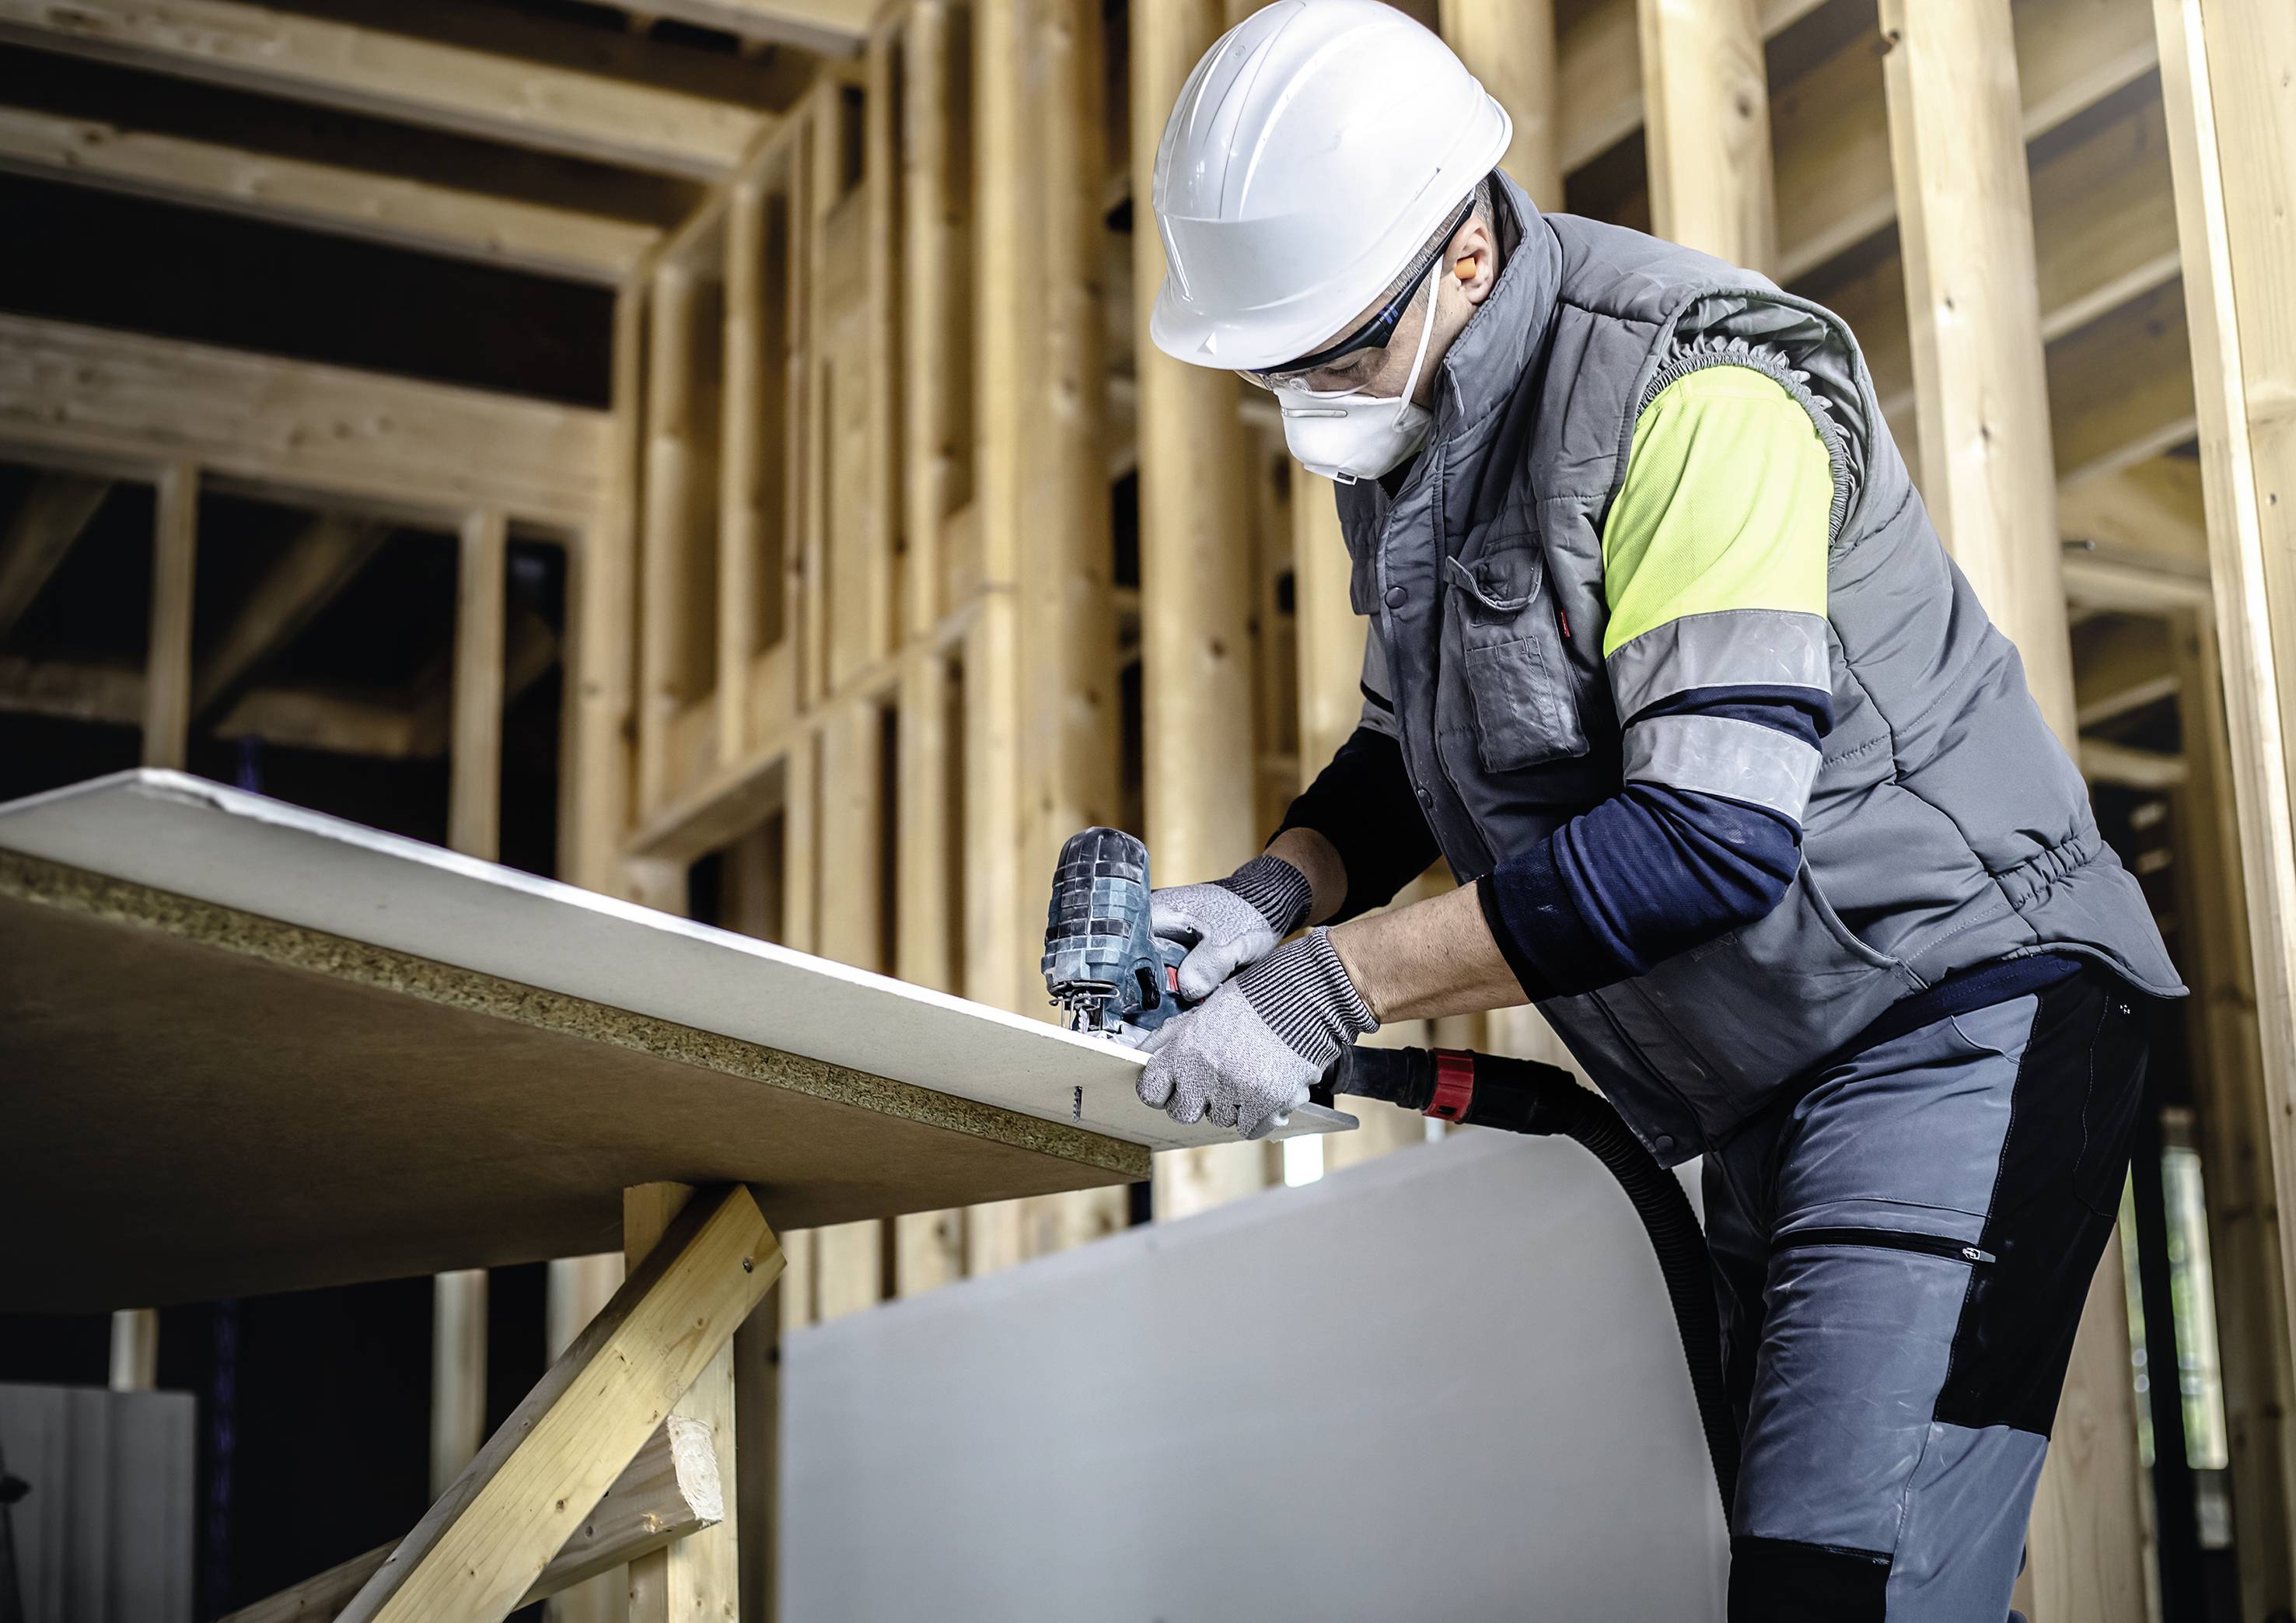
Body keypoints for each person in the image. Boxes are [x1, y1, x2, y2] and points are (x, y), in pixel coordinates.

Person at [1127, 2, 2184, 1618]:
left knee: (1840, 1583)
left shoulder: (1695, 397)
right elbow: (1421, 749)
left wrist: (1328, 988)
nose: (1308, 390)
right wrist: (1271, 897)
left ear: (1462, 255)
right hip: (1772, 1068)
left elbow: (1707, 835)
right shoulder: (1420, 433)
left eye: (1331, 344)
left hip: (1951, 1017)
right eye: (1273, 361)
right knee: (1798, 1569)